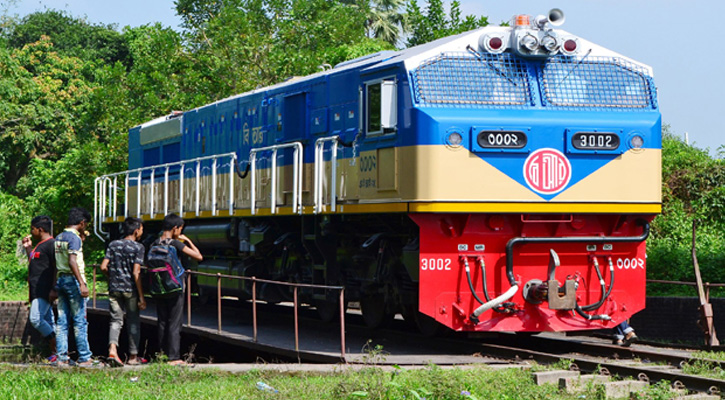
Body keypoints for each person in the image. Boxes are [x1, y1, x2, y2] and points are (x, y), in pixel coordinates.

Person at [152, 213, 202, 366]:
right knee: (174, 322)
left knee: (162, 321)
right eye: (180, 229)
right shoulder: (175, 243)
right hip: (175, 287)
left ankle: (161, 355)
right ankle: (174, 358)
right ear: (175, 228)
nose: (180, 232)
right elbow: (198, 256)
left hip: (159, 288)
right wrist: (188, 241)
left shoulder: (155, 242)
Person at [99, 217, 147, 366]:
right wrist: (141, 296)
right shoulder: (138, 247)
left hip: (114, 289)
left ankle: (112, 350)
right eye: (141, 229)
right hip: (130, 290)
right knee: (133, 322)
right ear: (136, 230)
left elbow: (103, 267)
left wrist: (112, 277)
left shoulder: (113, 245)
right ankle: (133, 357)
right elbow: (136, 272)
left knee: (115, 320)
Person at [54, 207, 97, 367]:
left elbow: (58, 262)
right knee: (80, 321)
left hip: (61, 280)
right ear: (82, 223)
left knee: (62, 321)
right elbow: (72, 261)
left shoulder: (59, 237)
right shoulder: (74, 238)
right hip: (73, 281)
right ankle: (85, 357)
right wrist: (82, 283)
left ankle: (61, 357)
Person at [22, 216, 57, 360]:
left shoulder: (51, 244)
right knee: (48, 321)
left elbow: (56, 267)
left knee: (36, 319)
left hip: (44, 291)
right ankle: (56, 354)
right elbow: (35, 260)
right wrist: (28, 248)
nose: (32, 232)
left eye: (33, 229)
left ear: (40, 229)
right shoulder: (39, 245)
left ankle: (57, 345)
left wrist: (54, 288)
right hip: (36, 290)